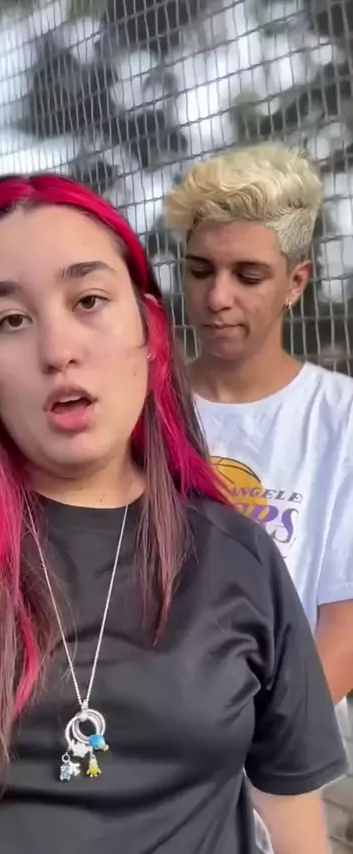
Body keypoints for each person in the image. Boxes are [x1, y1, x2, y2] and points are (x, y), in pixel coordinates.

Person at [0, 173, 346, 854]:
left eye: (89, 300)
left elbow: (295, 820)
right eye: (11, 320)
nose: (57, 350)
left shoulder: (238, 556)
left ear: (150, 330)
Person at [165, 143, 353, 850]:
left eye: (248, 275)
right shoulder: (140, 407)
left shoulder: (340, 419)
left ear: (296, 282)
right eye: (200, 270)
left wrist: (245, 747)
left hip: (277, 758)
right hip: (143, 747)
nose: (218, 297)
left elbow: (345, 627)